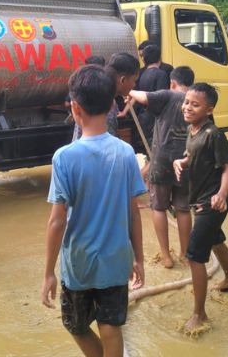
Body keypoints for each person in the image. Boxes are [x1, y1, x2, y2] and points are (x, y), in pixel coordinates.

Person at [42, 65, 145, 357]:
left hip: (79, 262)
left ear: (75, 108)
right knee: (111, 325)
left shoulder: (64, 157)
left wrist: (48, 272)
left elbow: (56, 221)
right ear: (113, 104)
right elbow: (134, 213)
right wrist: (139, 258)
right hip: (116, 259)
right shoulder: (125, 152)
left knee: (75, 324)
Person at [173, 83, 228, 333]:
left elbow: (227, 167)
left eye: (195, 104)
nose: (188, 107)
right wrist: (182, 161)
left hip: (211, 203)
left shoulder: (214, 134)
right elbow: (194, 156)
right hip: (199, 199)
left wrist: (222, 194)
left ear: (209, 109)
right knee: (215, 241)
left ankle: (199, 314)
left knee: (194, 256)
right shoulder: (193, 130)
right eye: (187, 102)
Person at [129, 66, 195, 269]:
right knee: (183, 209)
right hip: (186, 161)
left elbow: (143, 96)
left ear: (173, 83)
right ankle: (185, 254)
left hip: (161, 161)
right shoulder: (197, 100)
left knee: (158, 206)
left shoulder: (168, 95)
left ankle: (166, 256)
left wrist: (128, 90)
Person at [133, 45, 170, 149]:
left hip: (144, 116)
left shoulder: (143, 74)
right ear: (159, 58)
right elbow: (161, 99)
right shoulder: (161, 74)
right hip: (154, 119)